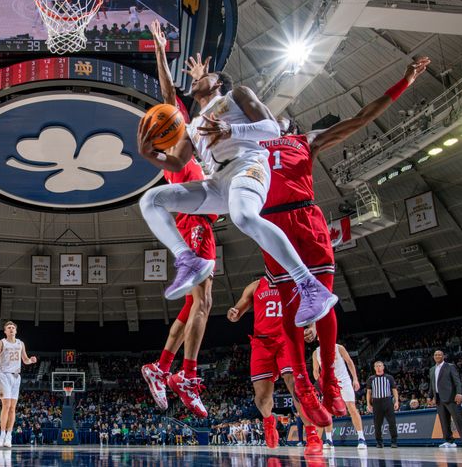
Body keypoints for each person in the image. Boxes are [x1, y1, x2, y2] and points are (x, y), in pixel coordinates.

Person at [257, 56, 430, 429]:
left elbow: (362, 118)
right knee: (289, 307)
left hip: (305, 217)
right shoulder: (250, 145)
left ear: (289, 125)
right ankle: (302, 384)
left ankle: (329, 382)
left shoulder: (307, 141)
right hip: (273, 224)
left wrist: (404, 82)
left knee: (323, 301)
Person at [138, 20, 337, 333]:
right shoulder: (192, 126)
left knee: (244, 216)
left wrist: (233, 128)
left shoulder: (236, 97)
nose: (196, 75)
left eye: (204, 73)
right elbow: (175, 161)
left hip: (249, 164)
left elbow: (273, 129)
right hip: (219, 181)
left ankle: (310, 286)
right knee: (152, 200)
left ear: (218, 84)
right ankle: (189, 260)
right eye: (194, 74)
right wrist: (151, 153)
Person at [141, 157, 216, 417]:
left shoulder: (192, 157)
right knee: (203, 302)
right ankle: (187, 374)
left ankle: (160, 368)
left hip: (199, 222)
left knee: (194, 303)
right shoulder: (179, 151)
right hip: (195, 220)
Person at [227, 278, 318, 451]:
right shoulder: (255, 286)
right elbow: (238, 308)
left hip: (288, 339)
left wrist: (312, 326)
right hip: (262, 343)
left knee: (296, 386)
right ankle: (269, 420)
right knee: (262, 398)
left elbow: (312, 304)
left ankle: (312, 436)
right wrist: (234, 313)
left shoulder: (295, 282)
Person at [0, 321, 37, 448]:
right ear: (5, 331)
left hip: (16, 376)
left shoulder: (21, 343)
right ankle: (2, 435)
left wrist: (30, 360)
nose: (11, 329)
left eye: (13, 327)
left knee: (12, 408)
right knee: (6, 405)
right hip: (4, 375)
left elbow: (25, 360)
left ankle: (9, 435)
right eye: (8, 328)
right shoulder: (1, 343)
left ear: (16, 331)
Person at [311, 341, 366, 450]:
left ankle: (361, 438)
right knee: (327, 412)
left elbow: (349, 362)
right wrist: (321, 383)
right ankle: (329, 440)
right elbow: (315, 371)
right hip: (329, 385)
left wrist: (355, 379)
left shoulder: (338, 347)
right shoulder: (316, 352)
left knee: (351, 408)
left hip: (344, 381)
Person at [427, 349, 462, 448]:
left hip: (452, 397)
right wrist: (429, 396)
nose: (437, 356)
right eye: (435, 355)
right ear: (433, 357)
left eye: (439, 354)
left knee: (458, 420)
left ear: (443, 356)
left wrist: (459, 393)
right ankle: (449, 441)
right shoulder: (432, 369)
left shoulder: (450, 366)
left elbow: (457, 381)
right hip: (439, 399)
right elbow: (432, 384)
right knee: (444, 421)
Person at [366, 361, 399, 448]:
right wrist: (368, 404)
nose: (378, 367)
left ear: (383, 367)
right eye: (376, 366)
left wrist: (396, 401)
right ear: (374, 368)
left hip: (387, 401)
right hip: (376, 402)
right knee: (377, 424)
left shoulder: (389, 377)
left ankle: (394, 441)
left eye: (380, 366)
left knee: (392, 422)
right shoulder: (371, 379)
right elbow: (368, 392)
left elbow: (394, 390)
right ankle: (379, 442)